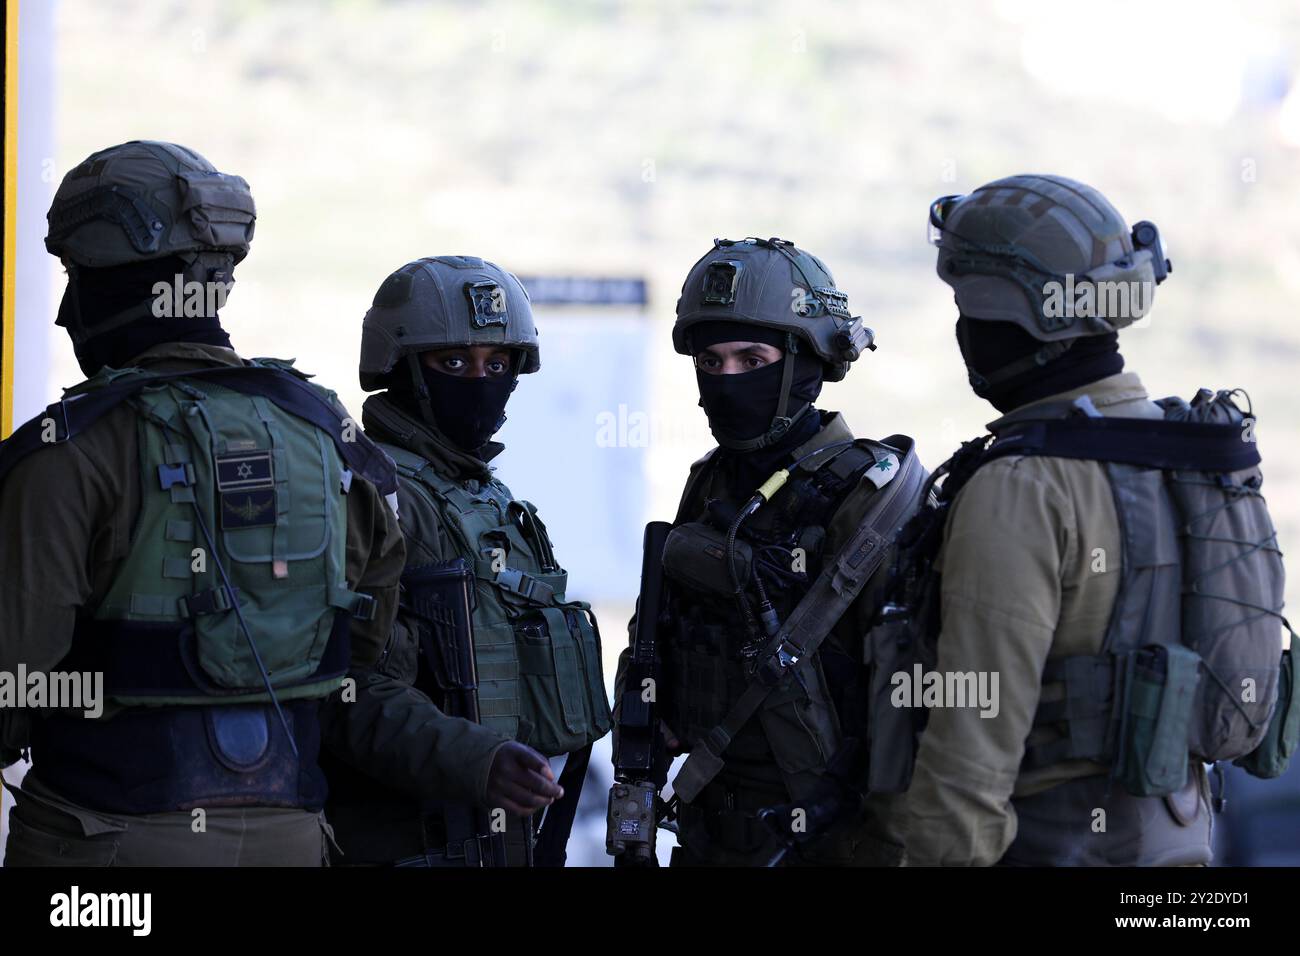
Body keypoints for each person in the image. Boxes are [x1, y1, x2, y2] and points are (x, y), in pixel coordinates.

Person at [0, 140, 404, 866]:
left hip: (109, 842)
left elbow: (12, 668)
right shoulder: (326, 430)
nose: (64, 312)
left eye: (77, 276)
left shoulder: (67, 451)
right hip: (292, 836)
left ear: (117, 281)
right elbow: (366, 640)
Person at [903, 174, 1290, 865]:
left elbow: (968, 768)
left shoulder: (1022, 488)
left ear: (1011, 316)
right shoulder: (1194, 454)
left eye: (969, 304)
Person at [616, 237, 926, 866]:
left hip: (827, 838)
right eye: (712, 361)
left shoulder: (869, 494)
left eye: (752, 359)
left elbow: (909, 694)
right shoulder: (710, 480)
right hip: (709, 827)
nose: (728, 382)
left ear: (810, 363)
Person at [320, 256, 611, 866]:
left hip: (493, 837)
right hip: (401, 841)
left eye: (497, 364)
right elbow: (345, 689)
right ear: (399, 368)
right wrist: (474, 760)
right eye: (453, 363)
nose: (480, 380)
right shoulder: (369, 493)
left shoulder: (484, 495)